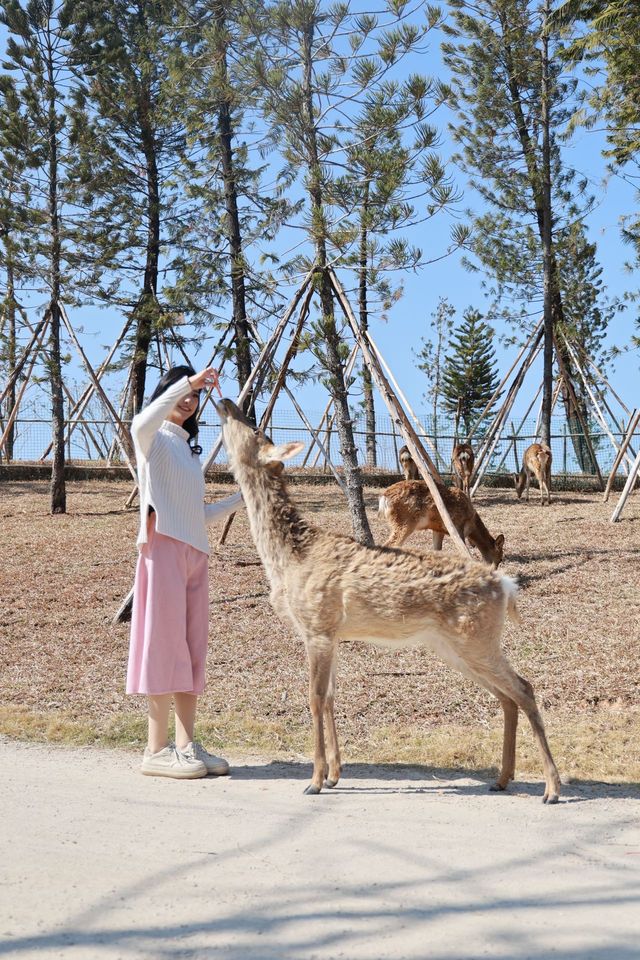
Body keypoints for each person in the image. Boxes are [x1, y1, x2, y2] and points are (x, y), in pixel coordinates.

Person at [126, 364, 243, 779]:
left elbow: (196, 514)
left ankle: (185, 744)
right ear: (167, 394)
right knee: (164, 645)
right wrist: (188, 383)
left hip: (195, 553)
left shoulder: (189, 452)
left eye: (194, 397)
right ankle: (155, 750)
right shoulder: (151, 438)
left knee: (192, 648)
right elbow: (141, 418)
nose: (189, 401)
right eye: (181, 394)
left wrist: (241, 497)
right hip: (163, 550)